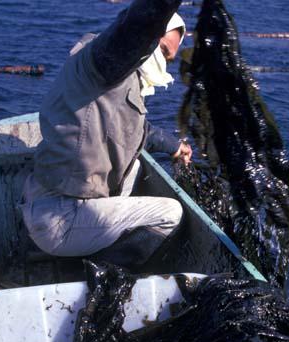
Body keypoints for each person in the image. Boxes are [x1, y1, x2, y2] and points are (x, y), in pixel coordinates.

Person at [21, 0, 192, 268]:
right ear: (147, 40)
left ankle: (79, 249)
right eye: (159, 48)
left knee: (134, 164)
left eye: (168, 57)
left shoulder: (114, 78)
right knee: (170, 214)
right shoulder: (105, 63)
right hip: (59, 220)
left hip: (46, 206)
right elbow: (140, 24)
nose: (162, 61)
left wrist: (174, 147)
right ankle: (102, 274)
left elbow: (135, 131)